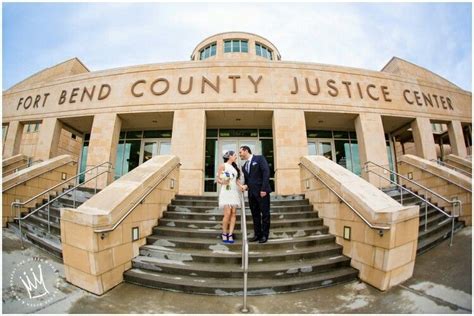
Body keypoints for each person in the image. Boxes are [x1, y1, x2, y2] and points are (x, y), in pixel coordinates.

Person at [239, 145, 271, 243]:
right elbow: (249, 181)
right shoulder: (244, 166)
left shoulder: (259, 158)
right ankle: (257, 234)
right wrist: (245, 186)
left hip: (262, 192)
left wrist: (264, 189)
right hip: (251, 194)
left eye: (240, 152)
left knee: (265, 214)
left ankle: (265, 235)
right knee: (255, 215)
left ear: (246, 150)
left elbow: (266, 172)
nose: (240, 154)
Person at [216, 150, 245, 244]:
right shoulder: (223, 165)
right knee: (227, 213)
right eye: (235, 155)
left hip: (234, 192)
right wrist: (223, 182)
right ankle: (224, 233)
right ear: (229, 156)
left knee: (233, 213)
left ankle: (230, 234)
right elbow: (218, 179)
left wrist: (241, 186)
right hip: (226, 191)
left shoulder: (235, 167)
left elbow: (236, 180)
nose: (236, 156)